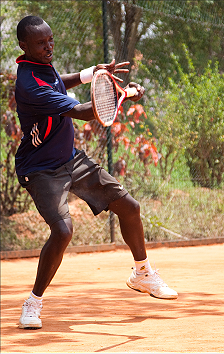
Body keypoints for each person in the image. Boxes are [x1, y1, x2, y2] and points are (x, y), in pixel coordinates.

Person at [15, 15, 177, 330]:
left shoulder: (39, 67)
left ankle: (142, 274)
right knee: (62, 231)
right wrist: (125, 93)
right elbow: (84, 113)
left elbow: (59, 80)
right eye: (40, 43)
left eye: (50, 39)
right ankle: (32, 304)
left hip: (69, 159)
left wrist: (91, 73)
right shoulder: (28, 84)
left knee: (129, 207)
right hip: (41, 170)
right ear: (23, 46)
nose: (48, 46)